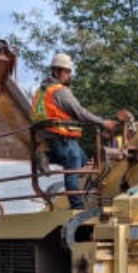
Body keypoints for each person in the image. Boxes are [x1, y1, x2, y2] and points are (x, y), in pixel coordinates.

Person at [31, 53, 117, 209]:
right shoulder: (60, 91)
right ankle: (77, 207)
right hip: (62, 137)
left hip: (50, 137)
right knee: (73, 168)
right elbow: (80, 112)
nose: (69, 75)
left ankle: (45, 155)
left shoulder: (41, 91)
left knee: (86, 163)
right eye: (66, 72)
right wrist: (102, 123)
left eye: (69, 72)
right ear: (56, 72)